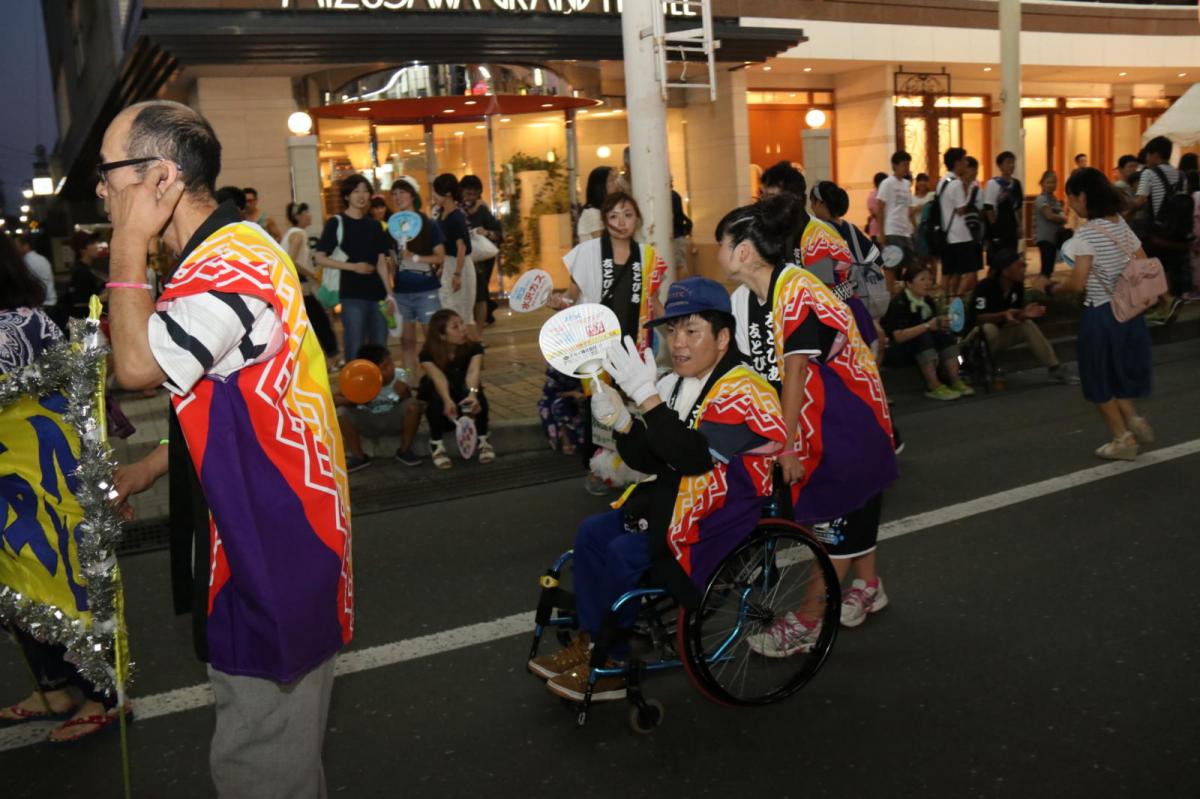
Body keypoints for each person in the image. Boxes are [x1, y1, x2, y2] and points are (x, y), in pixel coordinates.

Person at [98, 99, 351, 797]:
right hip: (257, 528)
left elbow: (139, 367)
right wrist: (151, 468)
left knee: (260, 763)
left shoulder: (230, 263)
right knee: (277, 755)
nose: (100, 190)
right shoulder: (216, 255)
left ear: (159, 180)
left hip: (270, 544)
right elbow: (217, 394)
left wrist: (127, 246)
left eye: (108, 173)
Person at [528, 278, 787, 699]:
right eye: (672, 331)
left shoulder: (746, 390)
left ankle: (607, 656)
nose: (678, 343)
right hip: (675, 499)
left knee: (623, 552)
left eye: (691, 331)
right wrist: (624, 424)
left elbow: (693, 458)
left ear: (723, 337)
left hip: (719, 514)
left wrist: (646, 398)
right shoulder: (674, 383)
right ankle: (594, 641)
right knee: (592, 533)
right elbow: (651, 459)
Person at [717, 197, 898, 644]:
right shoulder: (750, 297)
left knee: (836, 520)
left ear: (743, 252)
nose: (715, 251)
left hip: (847, 416)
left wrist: (788, 445)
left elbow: (795, 370)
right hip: (820, 416)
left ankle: (807, 620)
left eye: (720, 243)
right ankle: (868, 586)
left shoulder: (795, 288)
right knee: (849, 510)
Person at [0, 236, 125, 743]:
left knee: (62, 584)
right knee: (18, 589)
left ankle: (105, 695)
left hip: (44, 482)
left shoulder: (22, 323)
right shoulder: (31, 317)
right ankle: (55, 688)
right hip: (12, 484)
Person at [1048, 168, 1155, 461]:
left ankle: (1123, 439)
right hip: (1129, 312)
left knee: (1097, 378)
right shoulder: (1119, 223)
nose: (1069, 204)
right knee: (1116, 371)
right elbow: (1143, 262)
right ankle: (1133, 420)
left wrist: (1054, 287)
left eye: (1070, 197)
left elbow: (1078, 282)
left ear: (1082, 197)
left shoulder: (1086, 235)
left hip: (1101, 315)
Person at [557, 191, 664, 346]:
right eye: (613, 216)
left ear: (637, 219)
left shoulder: (648, 256)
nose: (621, 223)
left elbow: (654, 303)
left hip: (637, 344)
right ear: (604, 222)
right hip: (595, 344)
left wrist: (678, 326)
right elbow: (571, 297)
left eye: (628, 215)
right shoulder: (587, 252)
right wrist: (559, 302)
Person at [314, 173, 394, 368]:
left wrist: (390, 294)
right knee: (354, 346)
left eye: (365, 191)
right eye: (356, 191)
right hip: (352, 295)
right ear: (347, 196)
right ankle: (355, 394)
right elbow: (320, 257)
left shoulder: (375, 225)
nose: (362, 195)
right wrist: (353, 267)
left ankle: (379, 395)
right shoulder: (337, 223)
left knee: (380, 348)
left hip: (378, 296)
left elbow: (381, 262)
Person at [967, 249, 1077, 384]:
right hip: (976, 339)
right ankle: (975, 366)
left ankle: (1054, 367)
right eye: (1020, 265)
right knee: (990, 329)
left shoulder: (1017, 286)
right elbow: (978, 318)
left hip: (999, 336)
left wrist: (1023, 315)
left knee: (1027, 325)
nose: (1025, 268)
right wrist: (1003, 315)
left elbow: (1013, 319)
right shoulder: (985, 286)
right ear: (1005, 269)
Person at [881, 263, 971, 400]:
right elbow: (898, 337)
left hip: (922, 348)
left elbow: (933, 326)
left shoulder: (927, 301)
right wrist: (927, 326)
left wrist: (942, 323)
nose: (928, 283)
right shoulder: (899, 303)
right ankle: (933, 385)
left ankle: (955, 380)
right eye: (922, 279)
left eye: (929, 279)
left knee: (944, 336)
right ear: (909, 284)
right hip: (897, 350)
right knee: (923, 337)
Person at [418, 309, 493, 469]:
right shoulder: (427, 354)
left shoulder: (474, 348)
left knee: (477, 391)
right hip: (441, 390)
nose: (463, 329)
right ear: (442, 336)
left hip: (463, 388)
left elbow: (473, 372)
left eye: (461, 323)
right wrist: (447, 400)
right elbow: (438, 378)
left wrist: (472, 395)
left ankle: (483, 439)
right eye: (455, 327)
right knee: (435, 394)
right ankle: (436, 443)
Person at [389, 175, 446, 379]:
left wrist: (414, 257)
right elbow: (390, 260)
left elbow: (440, 257)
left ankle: (435, 382)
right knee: (407, 341)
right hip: (402, 292)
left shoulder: (428, 223)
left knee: (432, 339)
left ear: (413, 195)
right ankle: (410, 383)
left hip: (426, 290)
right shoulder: (393, 226)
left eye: (402, 192)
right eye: (394, 193)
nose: (397, 197)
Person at [336, 343, 423, 470]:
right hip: (368, 422)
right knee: (341, 413)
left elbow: (409, 403)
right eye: (385, 367)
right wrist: (354, 400)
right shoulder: (359, 380)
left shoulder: (400, 376)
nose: (391, 368)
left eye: (391, 363)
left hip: (391, 420)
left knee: (414, 406)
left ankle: (405, 451)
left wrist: (404, 393)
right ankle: (359, 457)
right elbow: (335, 399)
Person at [283, 202, 339, 362]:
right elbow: (291, 260)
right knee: (320, 322)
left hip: (297, 286)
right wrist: (312, 275)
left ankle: (328, 357)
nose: (310, 214)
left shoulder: (292, 233)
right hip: (299, 286)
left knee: (315, 322)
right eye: (306, 211)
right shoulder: (298, 234)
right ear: (297, 216)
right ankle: (332, 357)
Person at [431, 173, 478, 341]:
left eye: (436, 192)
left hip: (460, 266)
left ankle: (475, 353)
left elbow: (461, 247)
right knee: (450, 311)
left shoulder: (456, 216)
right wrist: (442, 268)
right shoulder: (442, 214)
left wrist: (457, 274)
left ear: (448, 194)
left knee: (464, 315)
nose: (434, 196)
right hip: (449, 265)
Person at [938, 148, 982, 298]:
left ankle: (945, 302)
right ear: (957, 163)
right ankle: (958, 299)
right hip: (961, 235)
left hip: (947, 234)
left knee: (949, 272)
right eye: (964, 161)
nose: (966, 163)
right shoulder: (956, 184)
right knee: (971, 271)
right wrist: (969, 192)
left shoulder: (943, 181)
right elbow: (961, 210)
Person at [460, 174, 502, 330]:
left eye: (474, 194)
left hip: (480, 261)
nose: (470, 197)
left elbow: (499, 234)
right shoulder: (456, 210)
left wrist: (487, 233)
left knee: (480, 295)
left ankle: (477, 333)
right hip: (461, 259)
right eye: (467, 193)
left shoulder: (483, 211)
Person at [876, 150, 914, 286]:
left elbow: (909, 209)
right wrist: (881, 233)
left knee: (910, 264)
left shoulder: (906, 184)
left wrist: (913, 228)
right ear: (895, 166)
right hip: (892, 229)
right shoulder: (887, 183)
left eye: (908, 165)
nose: (906, 168)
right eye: (904, 165)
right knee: (891, 265)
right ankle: (890, 294)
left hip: (905, 231)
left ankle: (906, 291)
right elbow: (880, 209)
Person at [983, 150, 1024, 262]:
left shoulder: (1016, 184)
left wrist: (1020, 226)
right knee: (997, 259)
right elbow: (989, 208)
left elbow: (1019, 207)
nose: (1011, 165)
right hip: (998, 226)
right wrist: (993, 228)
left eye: (1013, 162)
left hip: (1012, 226)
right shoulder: (993, 184)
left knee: (1011, 257)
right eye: (1008, 162)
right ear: (1000, 166)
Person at [538, 367, 585, 455]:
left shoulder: (583, 367)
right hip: (557, 398)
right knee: (559, 406)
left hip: (579, 395)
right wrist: (573, 394)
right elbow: (552, 393)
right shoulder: (555, 370)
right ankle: (565, 440)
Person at [1033, 170, 1068, 279]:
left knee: (1049, 268)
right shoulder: (1041, 199)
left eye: (1053, 182)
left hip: (1053, 237)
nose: (1051, 185)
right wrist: (1063, 218)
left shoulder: (1054, 199)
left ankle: (1045, 287)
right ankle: (1040, 289)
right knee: (1046, 267)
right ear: (1042, 183)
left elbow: (1059, 213)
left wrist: (1062, 217)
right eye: (1048, 182)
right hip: (1044, 238)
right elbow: (1049, 215)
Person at [66, 230, 107, 319]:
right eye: (92, 243)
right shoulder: (81, 272)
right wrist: (106, 296)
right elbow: (80, 303)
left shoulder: (88, 269)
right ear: (82, 249)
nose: (96, 246)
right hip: (83, 325)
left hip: (88, 322)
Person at [13, 234, 56, 312]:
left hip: (41, 306)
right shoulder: (42, 258)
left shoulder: (25, 262)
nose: (15, 249)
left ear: (26, 245)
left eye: (16, 246)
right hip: (51, 302)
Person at [578, 166, 620, 241]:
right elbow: (604, 244)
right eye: (611, 180)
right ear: (600, 186)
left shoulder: (606, 209)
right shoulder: (592, 213)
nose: (616, 183)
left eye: (615, 179)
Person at [866, 171, 887, 241]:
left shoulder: (885, 193)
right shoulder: (872, 196)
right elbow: (876, 214)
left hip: (887, 230)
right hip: (876, 231)